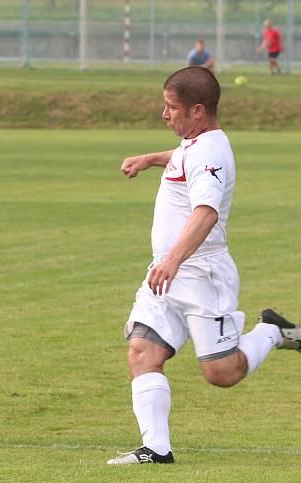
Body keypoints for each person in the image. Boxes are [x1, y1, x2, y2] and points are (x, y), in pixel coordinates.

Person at [107, 66, 301, 465]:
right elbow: (181, 159)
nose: (165, 115)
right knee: (142, 351)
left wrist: (174, 260)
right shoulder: (195, 144)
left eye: (171, 107)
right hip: (167, 271)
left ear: (197, 110)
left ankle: (272, 332)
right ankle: (156, 449)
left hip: (200, 275)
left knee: (222, 373)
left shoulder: (210, 151)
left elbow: (207, 212)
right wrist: (149, 158)